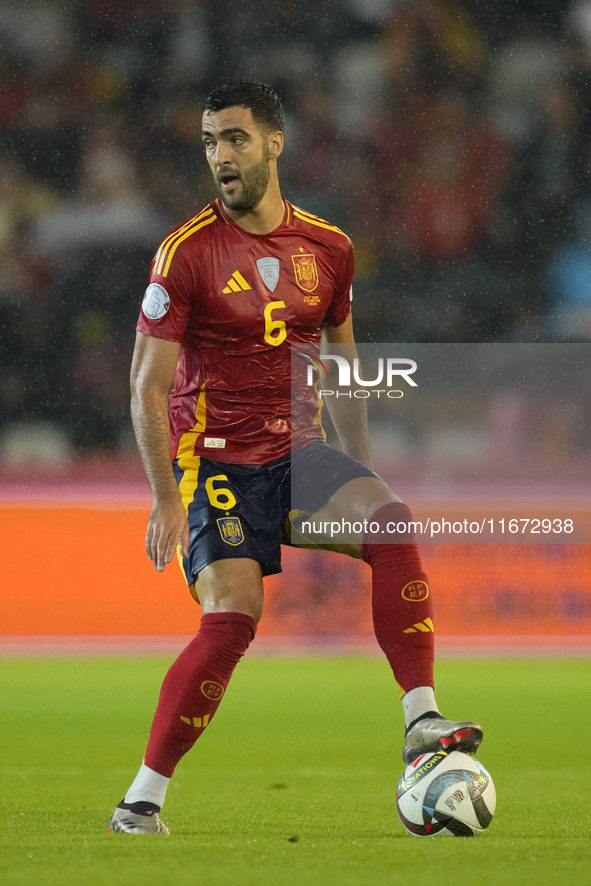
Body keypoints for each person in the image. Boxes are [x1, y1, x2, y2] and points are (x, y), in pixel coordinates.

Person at [109, 81, 482, 835]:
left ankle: (420, 721)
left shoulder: (329, 249)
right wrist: (166, 498)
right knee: (234, 617)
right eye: (210, 141)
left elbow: (342, 373)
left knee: (391, 524)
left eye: (235, 139)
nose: (221, 156)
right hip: (214, 464)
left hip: (298, 456)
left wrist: (362, 472)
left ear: (274, 143)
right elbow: (146, 386)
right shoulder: (184, 254)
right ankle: (142, 799)